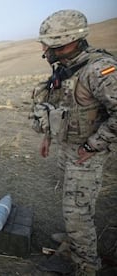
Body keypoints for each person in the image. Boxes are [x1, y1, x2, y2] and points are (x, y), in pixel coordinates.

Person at [30, 9, 117, 275]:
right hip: (68, 147)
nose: (44, 49)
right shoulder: (66, 68)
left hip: (86, 152)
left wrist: (93, 145)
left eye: (48, 43)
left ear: (65, 41)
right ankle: (75, 242)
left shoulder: (99, 70)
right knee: (74, 205)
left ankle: (87, 267)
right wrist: (48, 136)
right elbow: (57, 104)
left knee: (77, 214)